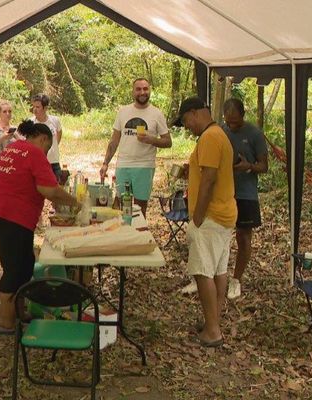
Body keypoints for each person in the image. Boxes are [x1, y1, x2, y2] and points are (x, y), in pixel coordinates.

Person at [0, 120, 80, 334]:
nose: (46, 153)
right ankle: (5, 324)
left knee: (24, 263)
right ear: (43, 139)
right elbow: (49, 189)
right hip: (12, 215)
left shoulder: (14, 148)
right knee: (15, 270)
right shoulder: (34, 153)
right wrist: (75, 202)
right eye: (48, 147)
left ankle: (19, 311)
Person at [174, 96, 237, 347]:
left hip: (210, 216)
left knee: (202, 271)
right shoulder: (219, 134)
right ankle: (214, 322)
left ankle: (212, 331)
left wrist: (197, 217)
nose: (187, 126)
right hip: (224, 212)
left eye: (186, 120)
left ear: (195, 113)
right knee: (218, 270)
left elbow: (209, 178)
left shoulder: (211, 137)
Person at [99, 78, 172, 216]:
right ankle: (122, 234)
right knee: (119, 205)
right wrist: (105, 163)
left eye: (145, 89)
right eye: (138, 89)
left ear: (149, 91)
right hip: (123, 164)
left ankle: (139, 235)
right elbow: (114, 141)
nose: (142, 92)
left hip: (144, 166)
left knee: (140, 208)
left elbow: (168, 142)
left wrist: (150, 139)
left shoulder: (156, 113)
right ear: (133, 92)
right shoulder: (123, 112)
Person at [222, 98, 268, 300]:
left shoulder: (255, 134)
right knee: (219, 235)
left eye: (235, 121)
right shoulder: (221, 131)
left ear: (243, 115)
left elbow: (264, 166)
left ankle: (236, 280)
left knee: (243, 237)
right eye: (228, 121)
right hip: (223, 192)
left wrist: (248, 166)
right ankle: (216, 276)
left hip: (246, 193)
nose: (232, 125)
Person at [31, 94, 63, 181]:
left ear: (45, 108)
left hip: (54, 163)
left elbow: (59, 134)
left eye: (38, 107)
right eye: (33, 106)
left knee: (57, 190)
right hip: (37, 164)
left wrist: (53, 147)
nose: (35, 109)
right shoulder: (31, 123)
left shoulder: (55, 120)